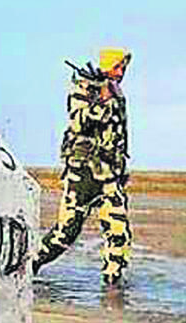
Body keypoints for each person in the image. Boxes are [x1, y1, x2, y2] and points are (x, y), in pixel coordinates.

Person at [33, 48, 133, 288]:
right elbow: (78, 123)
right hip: (84, 172)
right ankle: (29, 265)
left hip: (110, 174)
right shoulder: (84, 88)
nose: (120, 73)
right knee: (66, 232)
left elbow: (120, 135)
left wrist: (121, 170)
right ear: (106, 66)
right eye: (117, 67)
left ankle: (113, 283)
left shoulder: (117, 93)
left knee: (118, 230)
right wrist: (101, 102)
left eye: (123, 68)